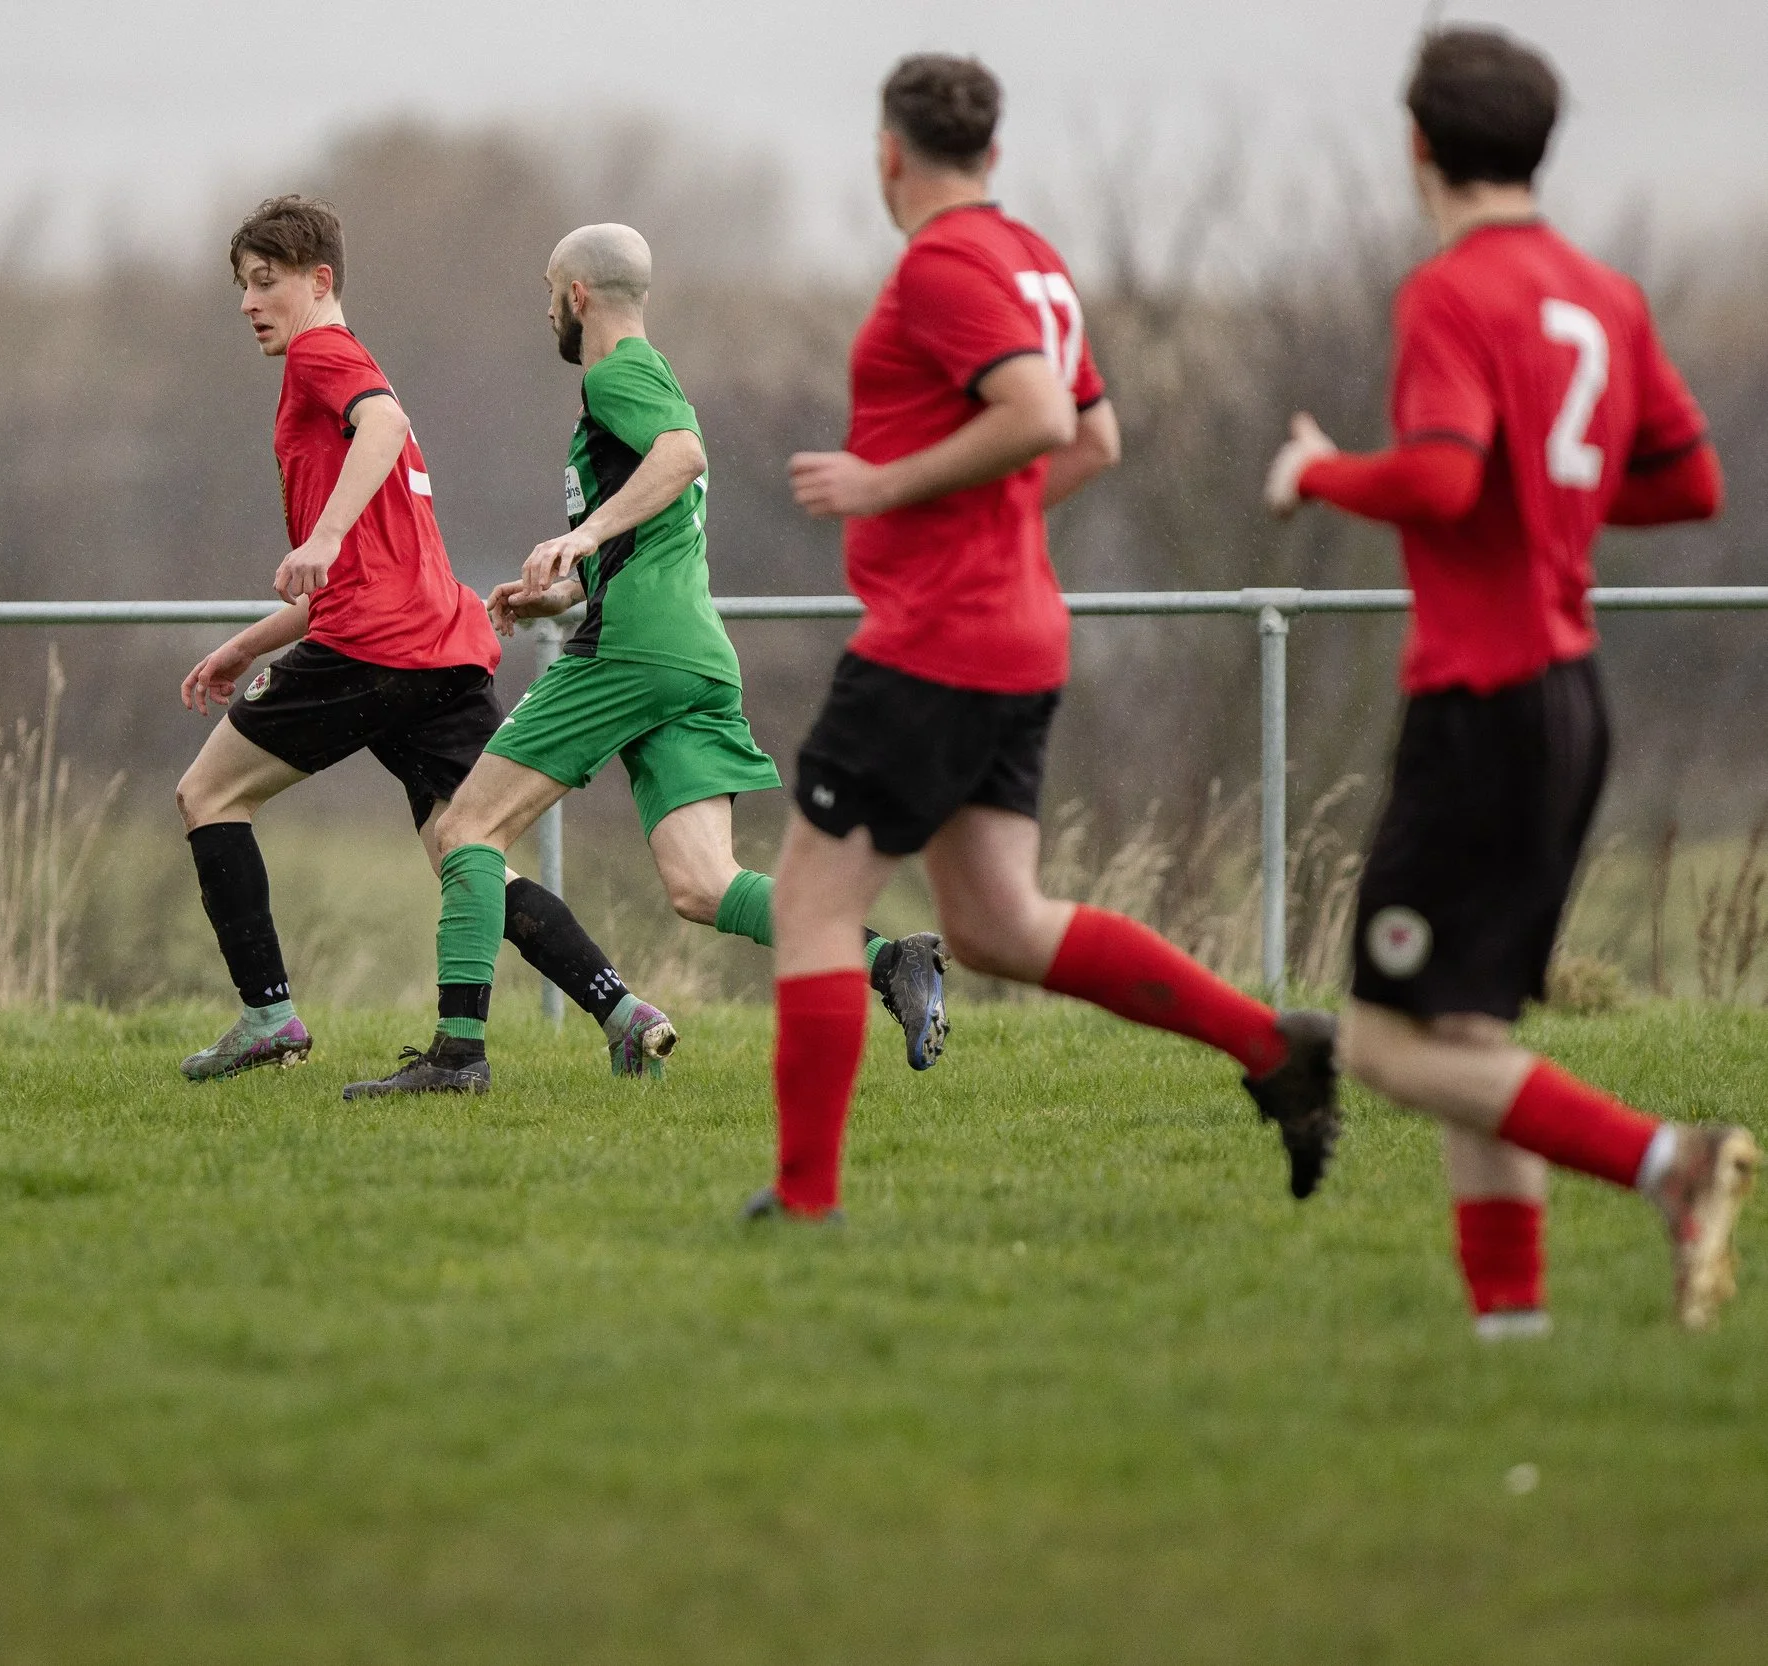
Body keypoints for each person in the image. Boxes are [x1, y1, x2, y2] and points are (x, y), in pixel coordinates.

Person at [748, 53, 1343, 1220]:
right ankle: (1273, 1049)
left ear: (887, 154)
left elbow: (1039, 417)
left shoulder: (945, 264)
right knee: (997, 922)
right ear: (993, 153)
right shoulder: (1031, 259)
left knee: (814, 903)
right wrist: (970, 509)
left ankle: (803, 1200)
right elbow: (1095, 440)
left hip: (937, 640)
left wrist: (885, 490)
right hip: (1016, 631)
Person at [1266, 27, 1751, 1334]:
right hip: (1568, 698)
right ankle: (1512, 1332)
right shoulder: (1604, 292)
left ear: (1418, 145)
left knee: (1382, 1044)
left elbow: (1434, 477)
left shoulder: (1450, 292)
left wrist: (1316, 470)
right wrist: (1559, 499)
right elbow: (1692, 479)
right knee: (1469, 1038)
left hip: (1482, 703)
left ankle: (1671, 1162)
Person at [344, 225, 948, 1099]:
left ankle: (456, 1055)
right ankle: (892, 960)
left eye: (549, 289)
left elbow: (682, 456)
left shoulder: (615, 373)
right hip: (693, 657)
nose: (546, 305)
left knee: (465, 831)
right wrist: (556, 588)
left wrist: (586, 530)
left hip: (634, 651)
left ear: (578, 296)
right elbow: (656, 528)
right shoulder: (652, 376)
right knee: (705, 886)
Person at [173, 195, 650, 1080]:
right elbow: (364, 567)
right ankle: (622, 1012)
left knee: (208, 796)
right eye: (242, 285)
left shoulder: (324, 356)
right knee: (465, 851)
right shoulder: (339, 370)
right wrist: (251, 642)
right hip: (438, 645)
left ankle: (267, 1016)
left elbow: (382, 429)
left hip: (374, 648)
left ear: (320, 281)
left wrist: (316, 538)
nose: (248, 302)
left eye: (265, 281)